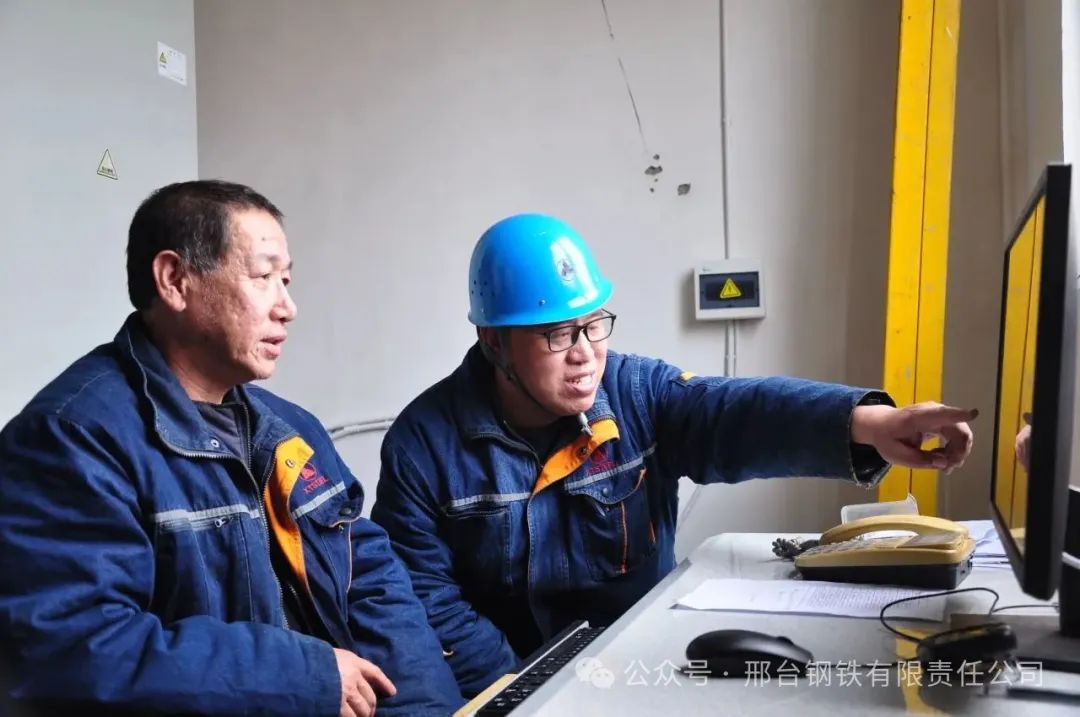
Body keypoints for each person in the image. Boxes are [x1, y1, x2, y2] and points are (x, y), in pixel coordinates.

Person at [371, 213, 977, 696]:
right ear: (494, 342)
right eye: (556, 333)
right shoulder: (423, 447)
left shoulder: (636, 395)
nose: (584, 352)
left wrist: (872, 423)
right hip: (515, 680)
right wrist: (528, 689)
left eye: (594, 324)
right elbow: (426, 600)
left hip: (643, 668)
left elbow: (735, 412)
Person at [0, 181, 463, 717]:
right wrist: (304, 676)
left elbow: (374, 585)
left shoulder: (293, 430)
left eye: (286, 281)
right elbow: (76, 651)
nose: (287, 307)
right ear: (175, 280)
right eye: (264, 277)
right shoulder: (71, 439)